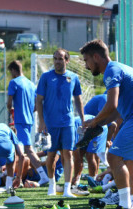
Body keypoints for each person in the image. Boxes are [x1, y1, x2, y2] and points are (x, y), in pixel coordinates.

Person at [80, 39, 133, 209]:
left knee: (114, 158)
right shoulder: (120, 67)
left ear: (96, 57)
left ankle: (125, 208)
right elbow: (116, 111)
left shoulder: (111, 71)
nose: (85, 65)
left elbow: (111, 104)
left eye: (86, 60)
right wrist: (99, 124)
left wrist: (94, 120)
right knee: (132, 165)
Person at [36, 48, 85, 197]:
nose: (57, 61)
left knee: (68, 154)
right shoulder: (45, 77)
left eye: (60, 58)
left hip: (68, 122)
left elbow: (78, 99)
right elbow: (39, 100)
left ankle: (67, 189)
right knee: (51, 155)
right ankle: (52, 185)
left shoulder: (74, 78)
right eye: (55, 58)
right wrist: (41, 122)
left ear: (67, 60)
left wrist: (83, 119)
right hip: (50, 123)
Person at [6, 60, 49, 186]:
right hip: (29, 120)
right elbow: (37, 105)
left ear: (13, 70)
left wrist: (12, 110)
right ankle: (17, 177)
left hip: (20, 120)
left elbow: (9, 103)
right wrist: (28, 111)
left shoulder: (14, 82)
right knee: (23, 149)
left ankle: (42, 176)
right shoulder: (31, 84)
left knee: (26, 150)